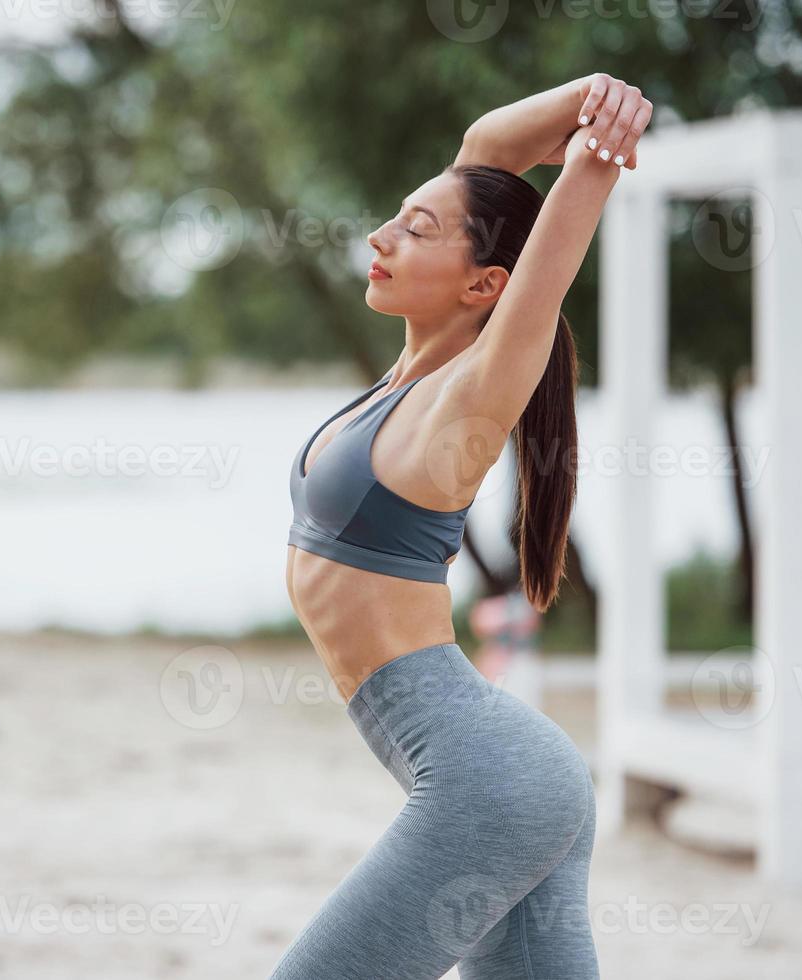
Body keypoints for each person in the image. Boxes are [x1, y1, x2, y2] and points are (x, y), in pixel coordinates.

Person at [274, 73, 652, 980]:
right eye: (396, 218)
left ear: (487, 283)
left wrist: (600, 153)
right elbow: (490, 145)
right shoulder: (409, 378)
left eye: (417, 229)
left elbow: (548, 256)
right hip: (500, 773)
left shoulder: (474, 394)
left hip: (488, 781)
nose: (381, 235)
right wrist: (588, 95)